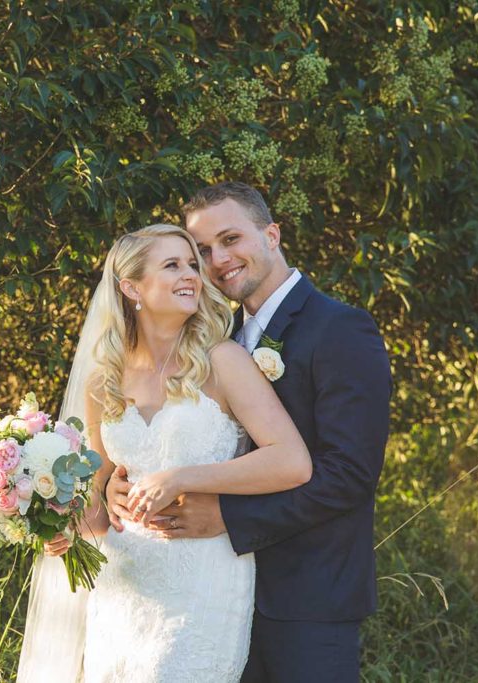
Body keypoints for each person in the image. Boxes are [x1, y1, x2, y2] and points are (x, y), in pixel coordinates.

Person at [107, 182, 392, 681]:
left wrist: (230, 517)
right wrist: (116, 484)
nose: (218, 260)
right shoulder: (217, 341)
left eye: (231, 239)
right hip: (211, 595)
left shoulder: (340, 328)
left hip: (308, 597)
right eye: (204, 252)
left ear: (272, 235)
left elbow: (350, 475)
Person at [20, 223, 312, 682]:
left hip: (202, 577)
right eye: (173, 264)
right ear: (132, 287)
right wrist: (62, 528)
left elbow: (291, 461)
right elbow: (98, 507)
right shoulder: (105, 380)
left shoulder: (222, 361)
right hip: (124, 585)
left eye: (193, 265)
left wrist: (181, 478)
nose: (193, 275)